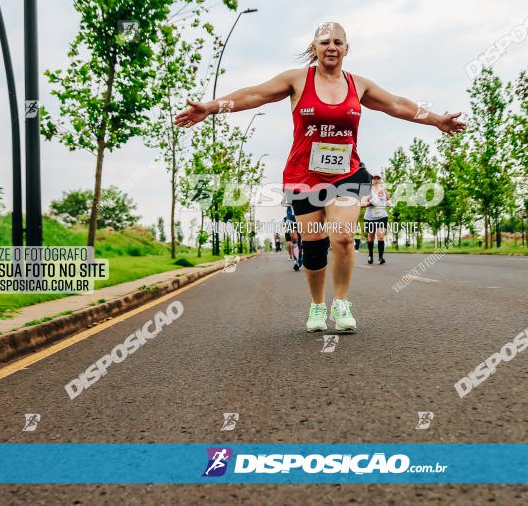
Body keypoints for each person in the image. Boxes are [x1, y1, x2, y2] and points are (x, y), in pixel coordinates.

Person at [175, 22, 465, 332]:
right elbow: (255, 94)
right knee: (313, 247)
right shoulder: (297, 80)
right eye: (325, 41)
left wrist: (436, 120)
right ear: (315, 48)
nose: (331, 46)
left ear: (346, 49)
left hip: (347, 174)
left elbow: (396, 104)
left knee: (341, 236)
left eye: (338, 42)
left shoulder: (359, 85)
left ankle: (341, 302)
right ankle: (317, 305)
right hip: (304, 177)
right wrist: (211, 107)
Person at [361, 172, 389, 264]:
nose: (376, 180)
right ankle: (370, 255)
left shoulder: (384, 191)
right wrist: (369, 203)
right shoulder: (367, 191)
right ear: (371, 180)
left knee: (380, 236)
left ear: (380, 180)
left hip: (382, 216)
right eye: (374, 178)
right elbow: (362, 203)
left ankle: (381, 257)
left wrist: (387, 204)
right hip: (370, 217)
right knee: (370, 238)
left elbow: (389, 201)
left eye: (378, 178)